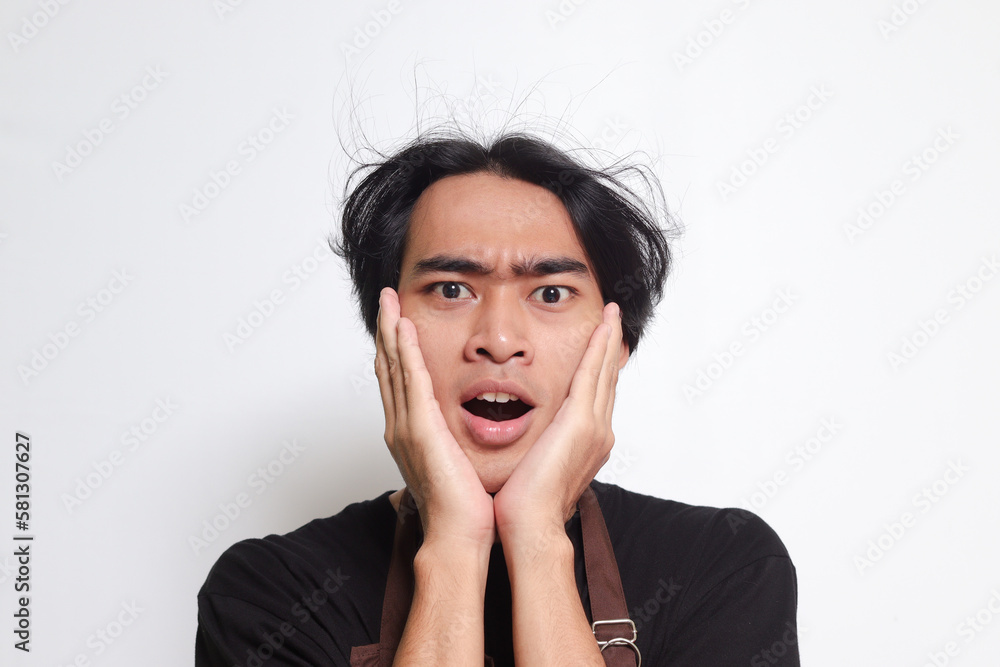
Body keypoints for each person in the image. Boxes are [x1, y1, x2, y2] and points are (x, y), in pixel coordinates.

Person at [195, 130, 800, 666]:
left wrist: (537, 536)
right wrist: (454, 545)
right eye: (451, 289)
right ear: (386, 335)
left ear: (617, 344)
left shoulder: (723, 568)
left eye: (552, 293)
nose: (499, 340)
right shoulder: (269, 594)